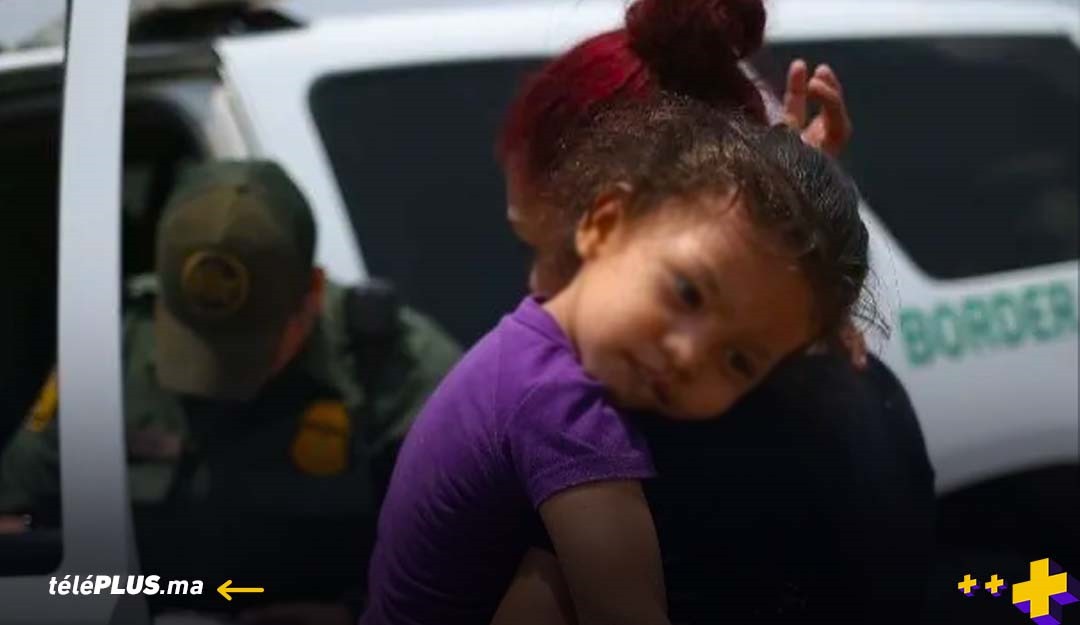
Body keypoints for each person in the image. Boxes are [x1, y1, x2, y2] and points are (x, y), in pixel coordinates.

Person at [491, 0, 935, 622]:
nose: (538, 297)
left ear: (603, 216)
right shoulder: (853, 386)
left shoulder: (598, 452)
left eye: (542, 256)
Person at [362, 95, 871, 625]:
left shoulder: (527, 346)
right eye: (687, 293)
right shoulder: (561, 406)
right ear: (605, 225)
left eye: (739, 361)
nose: (688, 355)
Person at [0, 160, 460, 622]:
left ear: (313, 294)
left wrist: (352, 614)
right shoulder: (112, 349)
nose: (217, 377)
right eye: (193, 343)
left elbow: (471, 568)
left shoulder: (399, 373)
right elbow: (17, 513)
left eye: (247, 348)